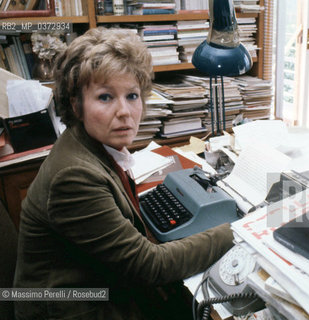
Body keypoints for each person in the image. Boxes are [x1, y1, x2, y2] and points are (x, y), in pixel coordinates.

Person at [13, 27, 234, 320]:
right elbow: (149, 266)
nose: (125, 112)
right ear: (76, 105)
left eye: (132, 95)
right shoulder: (74, 177)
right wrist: (239, 231)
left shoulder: (93, 144)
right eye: (105, 98)